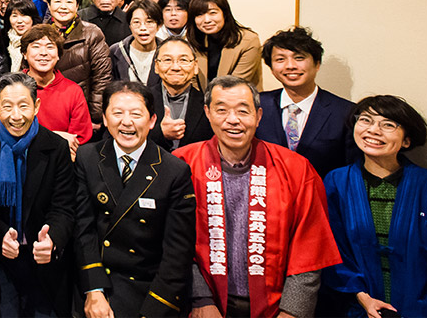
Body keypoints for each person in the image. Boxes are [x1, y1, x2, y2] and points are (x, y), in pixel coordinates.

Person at [175, 76, 340, 318]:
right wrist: (200, 299)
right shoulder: (181, 164)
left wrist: (293, 311)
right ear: (207, 113)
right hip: (202, 306)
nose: (233, 120)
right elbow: (173, 243)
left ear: (258, 116)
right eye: (221, 110)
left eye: (243, 111)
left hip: (276, 307)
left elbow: (309, 247)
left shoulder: (296, 168)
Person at [322, 95, 427, 318]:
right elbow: (331, 250)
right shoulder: (335, 183)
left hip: (426, 310)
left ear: (406, 140)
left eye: (388, 125)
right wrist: (362, 297)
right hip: (357, 309)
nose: (374, 130)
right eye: (365, 120)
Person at [74, 81, 195, 318]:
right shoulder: (87, 157)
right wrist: (94, 290)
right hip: (99, 285)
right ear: (106, 119)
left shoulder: (174, 171)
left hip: (148, 289)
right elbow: (83, 230)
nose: (126, 122)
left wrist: (154, 310)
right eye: (117, 113)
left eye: (136, 114)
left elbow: (177, 252)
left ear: (151, 121)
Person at [0, 73, 76, 317]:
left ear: (36, 106)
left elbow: (64, 206)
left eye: (24, 105)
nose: (16, 116)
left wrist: (52, 239)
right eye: (7, 106)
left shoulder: (55, 146)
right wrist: (0, 234)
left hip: (42, 257)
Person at [257, 27, 355, 178]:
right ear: (271, 68)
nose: (290, 66)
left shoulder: (345, 112)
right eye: (280, 59)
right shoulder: (256, 104)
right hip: (267, 197)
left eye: (299, 58)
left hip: (323, 197)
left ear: (317, 64)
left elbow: (350, 171)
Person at [21, 24, 92, 155]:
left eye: (50, 47)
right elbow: (10, 131)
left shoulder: (73, 91)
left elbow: (79, 138)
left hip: (63, 162)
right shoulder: (14, 88)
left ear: (59, 55)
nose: (43, 53)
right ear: (24, 54)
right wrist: (55, 137)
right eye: (36, 46)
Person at [48, 0, 112, 122]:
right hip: (46, 111)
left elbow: (102, 78)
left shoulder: (92, 33)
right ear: (49, 5)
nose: (63, 7)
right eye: (57, 1)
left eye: (69, 2)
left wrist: (95, 116)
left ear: (77, 6)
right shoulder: (39, 33)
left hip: (81, 112)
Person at [187, 0, 262, 90]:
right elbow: (191, 79)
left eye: (212, 13)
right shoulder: (193, 40)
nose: (207, 20)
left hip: (238, 99)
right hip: (202, 103)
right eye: (199, 15)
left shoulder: (249, 41)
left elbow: (236, 83)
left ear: (225, 14)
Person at [148, 37, 213, 150]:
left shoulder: (209, 104)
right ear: (156, 66)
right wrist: (160, 133)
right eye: (167, 60)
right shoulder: (142, 100)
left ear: (195, 66)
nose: (175, 67)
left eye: (183, 60)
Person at [108, 0, 163, 88]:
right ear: (130, 26)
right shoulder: (116, 51)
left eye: (149, 22)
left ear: (159, 25)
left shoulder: (167, 51)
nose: (143, 27)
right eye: (136, 22)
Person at [4, 0, 41, 71]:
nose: (19, 21)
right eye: (14, 16)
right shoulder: (2, 40)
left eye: (24, 15)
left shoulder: (40, 41)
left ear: (32, 18)